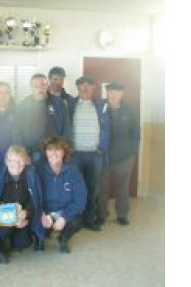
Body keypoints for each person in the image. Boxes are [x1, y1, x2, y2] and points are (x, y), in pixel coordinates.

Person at [0, 145, 44, 263]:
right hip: (0, 218)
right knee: (4, 231)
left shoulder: (31, 176)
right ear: (6, 161)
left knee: (23, 244)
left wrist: (25, 214)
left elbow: (35, 201)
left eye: (20, 161)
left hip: (22, 217)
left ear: (26, 161)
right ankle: (0, 248)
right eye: (12, 161)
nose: (16, 164)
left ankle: (12, 238)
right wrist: (13, 218)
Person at [68, 76, 110, 231]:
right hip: (75, 154)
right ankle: (75, 220)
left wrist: (102, 147)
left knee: (93, 189)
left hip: (95, 154)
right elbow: (65, 126)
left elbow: (106, 128)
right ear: (78, 88)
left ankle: (89, 218)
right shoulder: (70, 104)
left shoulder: (101, 105)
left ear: (93, 88)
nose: (85, 88)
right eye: (82, 86)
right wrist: (68, 147)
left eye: (88, 86)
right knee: (75, 188)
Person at [98, 82, 140, 226]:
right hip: (104, 157)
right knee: (101, 188)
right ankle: (102, 214)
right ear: (107, 93)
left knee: (122, 188)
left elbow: (136, 133)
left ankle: (122, 214)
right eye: (110, 92)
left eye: (116, 92)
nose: (113, 95)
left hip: (124, 158)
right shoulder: (99, 108)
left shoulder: (129, 110)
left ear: (122, 94)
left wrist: (132, 152)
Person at [36, 136, 86, 253]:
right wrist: (41, 213)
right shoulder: (38, 169)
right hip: (45, 212)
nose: (53, 153)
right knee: (33, 219)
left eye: (57, 149)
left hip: (64, 211)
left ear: (64, 152)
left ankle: (63, 238)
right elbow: (33, 196)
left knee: (77, 221)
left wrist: (64, 217)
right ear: (45, 152)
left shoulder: (73, 171)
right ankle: (40, 237)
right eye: (49, 149)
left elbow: (80, 200)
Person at [16, 73, 71, 163]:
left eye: (43, 85)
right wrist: (23, 152)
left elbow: (66, 126)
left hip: (54, 150)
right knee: (35, 176)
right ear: (31, 87)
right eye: (36, 86)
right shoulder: (23, 105)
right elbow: (17, 130)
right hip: (32, 152)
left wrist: (63, 147)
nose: (40, 88)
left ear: (47, 85)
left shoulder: (59, 102)